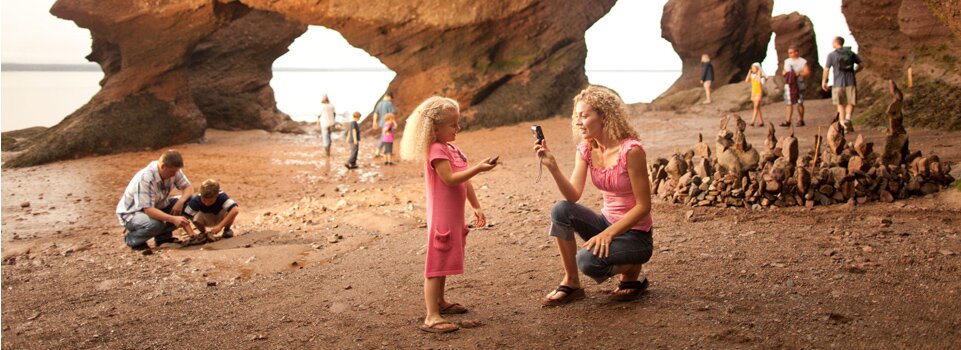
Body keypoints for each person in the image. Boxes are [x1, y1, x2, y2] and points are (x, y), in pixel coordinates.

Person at [532, 85, 654, 307]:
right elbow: (573, 196)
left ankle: (632, 266)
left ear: (604, 116)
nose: (578, 122)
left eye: (584, 116)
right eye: (576, 116)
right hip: (606, 223)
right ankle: (571, 283)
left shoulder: (631, 151)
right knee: (560, 209)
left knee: (587, 262)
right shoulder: (586, 149)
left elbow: (644, 206)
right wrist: (553, 167)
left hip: (635, 234)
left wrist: (608, 234)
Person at [407, 96, 498, 333]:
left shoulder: (452, 149)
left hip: (454, 216)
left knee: (446, 259)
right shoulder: (436, 149)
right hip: (442, 217)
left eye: (457, 124)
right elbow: (449, 179)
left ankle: (441, 302)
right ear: (435, 128)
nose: (457, 129)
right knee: (436, 263)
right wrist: (478, 168)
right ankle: (431, 315)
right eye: (452, 125)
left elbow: (464, 179)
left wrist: (476, 205)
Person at [116, 150, 195, 252]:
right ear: (162, 166)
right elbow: (148, 210)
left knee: (191, 202)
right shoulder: (145, 178)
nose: (175, 174)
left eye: (176, 171)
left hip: (157, 206)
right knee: (156, 224)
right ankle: (133, 239)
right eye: (172, 172)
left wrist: (181, 202)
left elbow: (188, 188)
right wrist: (174, 219)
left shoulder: (173, 170)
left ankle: (163, 238)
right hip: (133, 213)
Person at [821, 36, 863, 132]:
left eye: (833, 42)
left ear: (836, 43)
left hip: (838, 83)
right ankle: (848, 119)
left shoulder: (831, 55)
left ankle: (843, 124)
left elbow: (826, 69)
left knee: (840, 104)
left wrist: (824, 81)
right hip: (851, 81)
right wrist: (855, 72)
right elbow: (861, 65)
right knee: (850, 102)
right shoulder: (850, 53)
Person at [780, 46, 811, 127]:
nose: (790, 54)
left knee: (800, 102)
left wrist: (799, 73)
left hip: (798, 83)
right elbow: (784, 71)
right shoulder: (787, 61)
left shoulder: (802, 61)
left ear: (796, 52)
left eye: (792, 52)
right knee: (788, 103)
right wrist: (784, 73)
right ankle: (788, 121)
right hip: (789, 84)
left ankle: (801, 120)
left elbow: (807, 72)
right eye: (789, 53)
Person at [373, 92, 396, 156]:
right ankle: (381, 151)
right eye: (390, 98)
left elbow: (375, 113)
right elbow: (391, 114)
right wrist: (394, 122)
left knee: (384, 136)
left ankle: (387, 151)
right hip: (388, 123)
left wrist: (374, 122)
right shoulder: (389, 103)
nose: (390, 99)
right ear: (388, 96)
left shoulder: (379, 103)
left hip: (381, 123)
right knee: (386, 137)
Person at [745, 62, 766, 127]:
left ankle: (752, 121)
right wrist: (749, 72)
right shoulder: (752, 75)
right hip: (754, 92)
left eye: (754, 68)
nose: (753, 69)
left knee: (756, 106)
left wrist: (759, 73)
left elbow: (759, 81)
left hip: (759, 92)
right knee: (757, 107)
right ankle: (761, 122)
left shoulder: (761, 76)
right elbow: (746, 80)